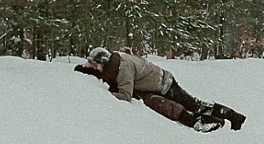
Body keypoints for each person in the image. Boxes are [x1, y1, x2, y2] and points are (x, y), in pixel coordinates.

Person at [74, 47, 246, 132]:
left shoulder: (122, 70)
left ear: (102, 63)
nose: (91, 67)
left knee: (194, 105)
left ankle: (231, 116)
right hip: (160, 79)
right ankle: (221, 118)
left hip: (164, 84)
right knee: (193, 104)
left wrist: (102, 94)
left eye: (93, 65)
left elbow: (125, 96)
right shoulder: (115, 61)